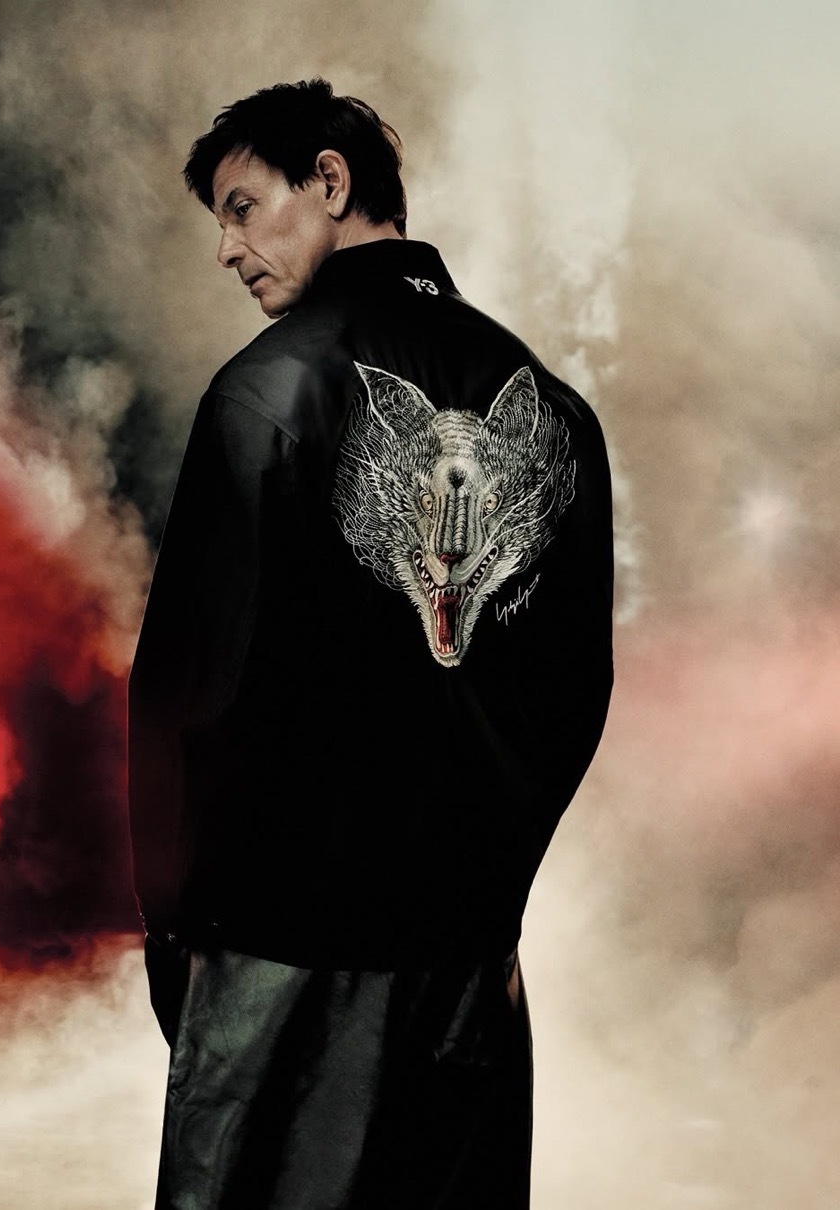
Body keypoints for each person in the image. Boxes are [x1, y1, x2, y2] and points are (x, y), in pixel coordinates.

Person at [129, 78, 614, 1210]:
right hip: (467, 969)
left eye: (243, 206)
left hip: (280, 958)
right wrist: (488, 900)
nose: (226, 248)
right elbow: (572, 691)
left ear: (331, 182)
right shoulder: (553, 411)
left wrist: (173, 922)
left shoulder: (266, 391)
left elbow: (190, 694)